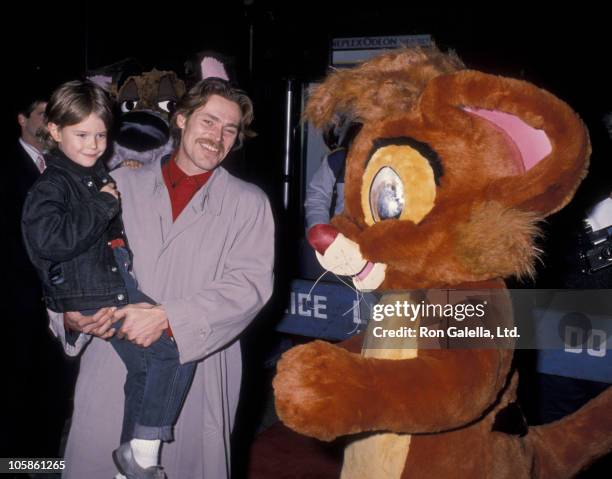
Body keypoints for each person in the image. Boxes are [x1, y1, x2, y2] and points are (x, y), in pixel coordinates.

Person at [47, 77, 274, 478]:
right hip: (112, 358)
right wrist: (69, 316)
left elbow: (249, 287)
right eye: (208, 122)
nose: (217, 136)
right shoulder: (118, 187)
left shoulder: (248, 203)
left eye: (229, 129)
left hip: (194, 367)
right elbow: (70, 260)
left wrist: (170, 316)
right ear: (182, 120)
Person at [21, 80, 200, 479]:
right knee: (175, 350)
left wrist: (121, 174)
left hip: (105, 283)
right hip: (92, 291)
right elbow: (48, 242)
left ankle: (130, 464)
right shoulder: (53, 181)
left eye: (101, 135)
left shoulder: (89, 171)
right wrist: (103, 204)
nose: (94, 144)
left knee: (148, 366)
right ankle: (142, 453)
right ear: (54, 131)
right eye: (82, 135)